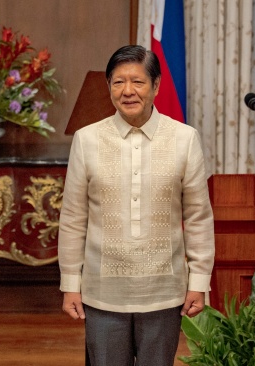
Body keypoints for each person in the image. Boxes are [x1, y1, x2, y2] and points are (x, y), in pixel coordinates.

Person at [58, 45, 215, 366]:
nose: (127, 91)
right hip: (102, 294)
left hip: (164, 292)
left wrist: (199, 282)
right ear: (109, 87)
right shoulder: (87, 139)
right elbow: (73, 218)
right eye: (118, 82)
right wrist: (70, 284)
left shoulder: (184, 138)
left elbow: (198, 217)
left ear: (156, 86)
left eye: (138, 82)